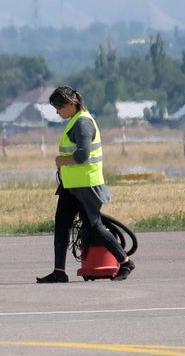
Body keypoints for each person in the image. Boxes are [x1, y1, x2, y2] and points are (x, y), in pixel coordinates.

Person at [37, 85, 135, 283]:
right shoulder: (74, 121)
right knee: (62, 225)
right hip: (70, 185)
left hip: (86, 185)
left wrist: (61, 160)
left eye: (59, 107)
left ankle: (125, 262)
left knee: (95, 227)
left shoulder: (83, 123)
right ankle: (59, 271)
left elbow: (82, 155)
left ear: (71, 104)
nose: (57, 111)